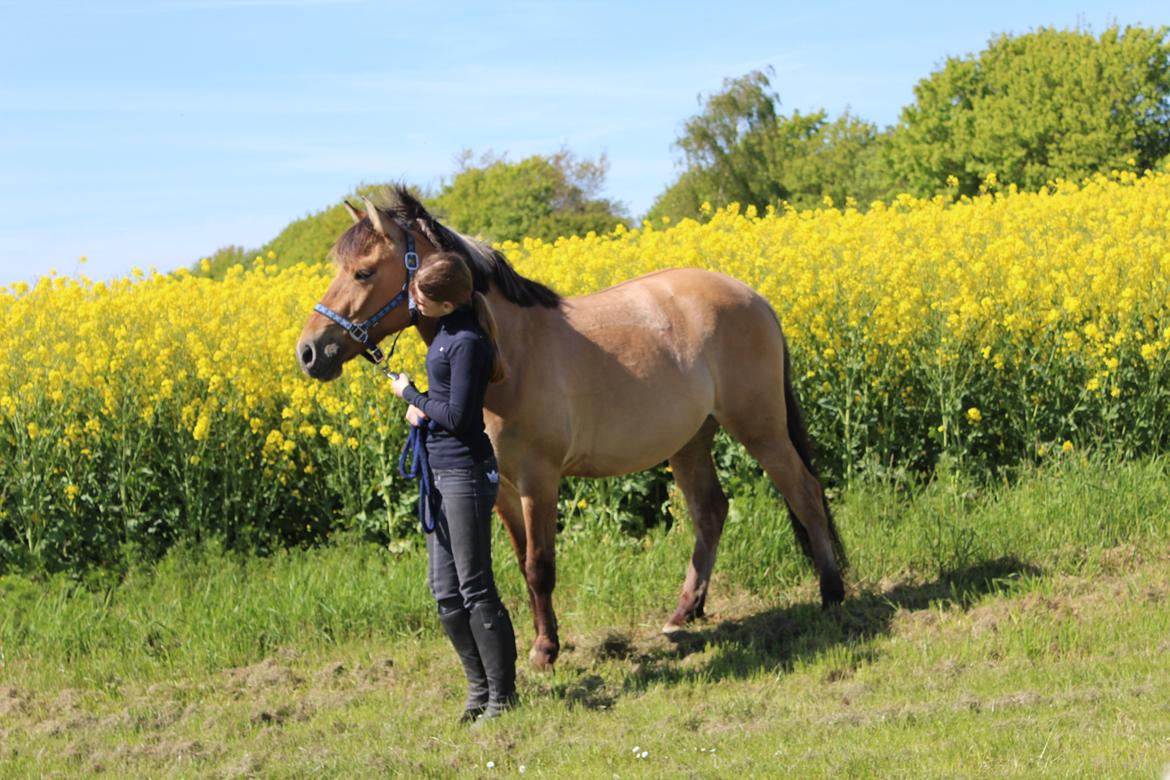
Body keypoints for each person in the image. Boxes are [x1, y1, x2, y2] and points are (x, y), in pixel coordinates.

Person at [389, 251, 517, 722]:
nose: (414, 301)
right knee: (445, 592)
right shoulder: (444, 331)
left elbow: (461, 418)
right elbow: (446, 403)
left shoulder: (467, 342)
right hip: (440, 470)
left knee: (475, 586)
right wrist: (422, 405)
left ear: (447, 303)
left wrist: (410, 395)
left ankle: (502, 697)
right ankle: (478, 690)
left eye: (421, 296)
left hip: (466, 472)